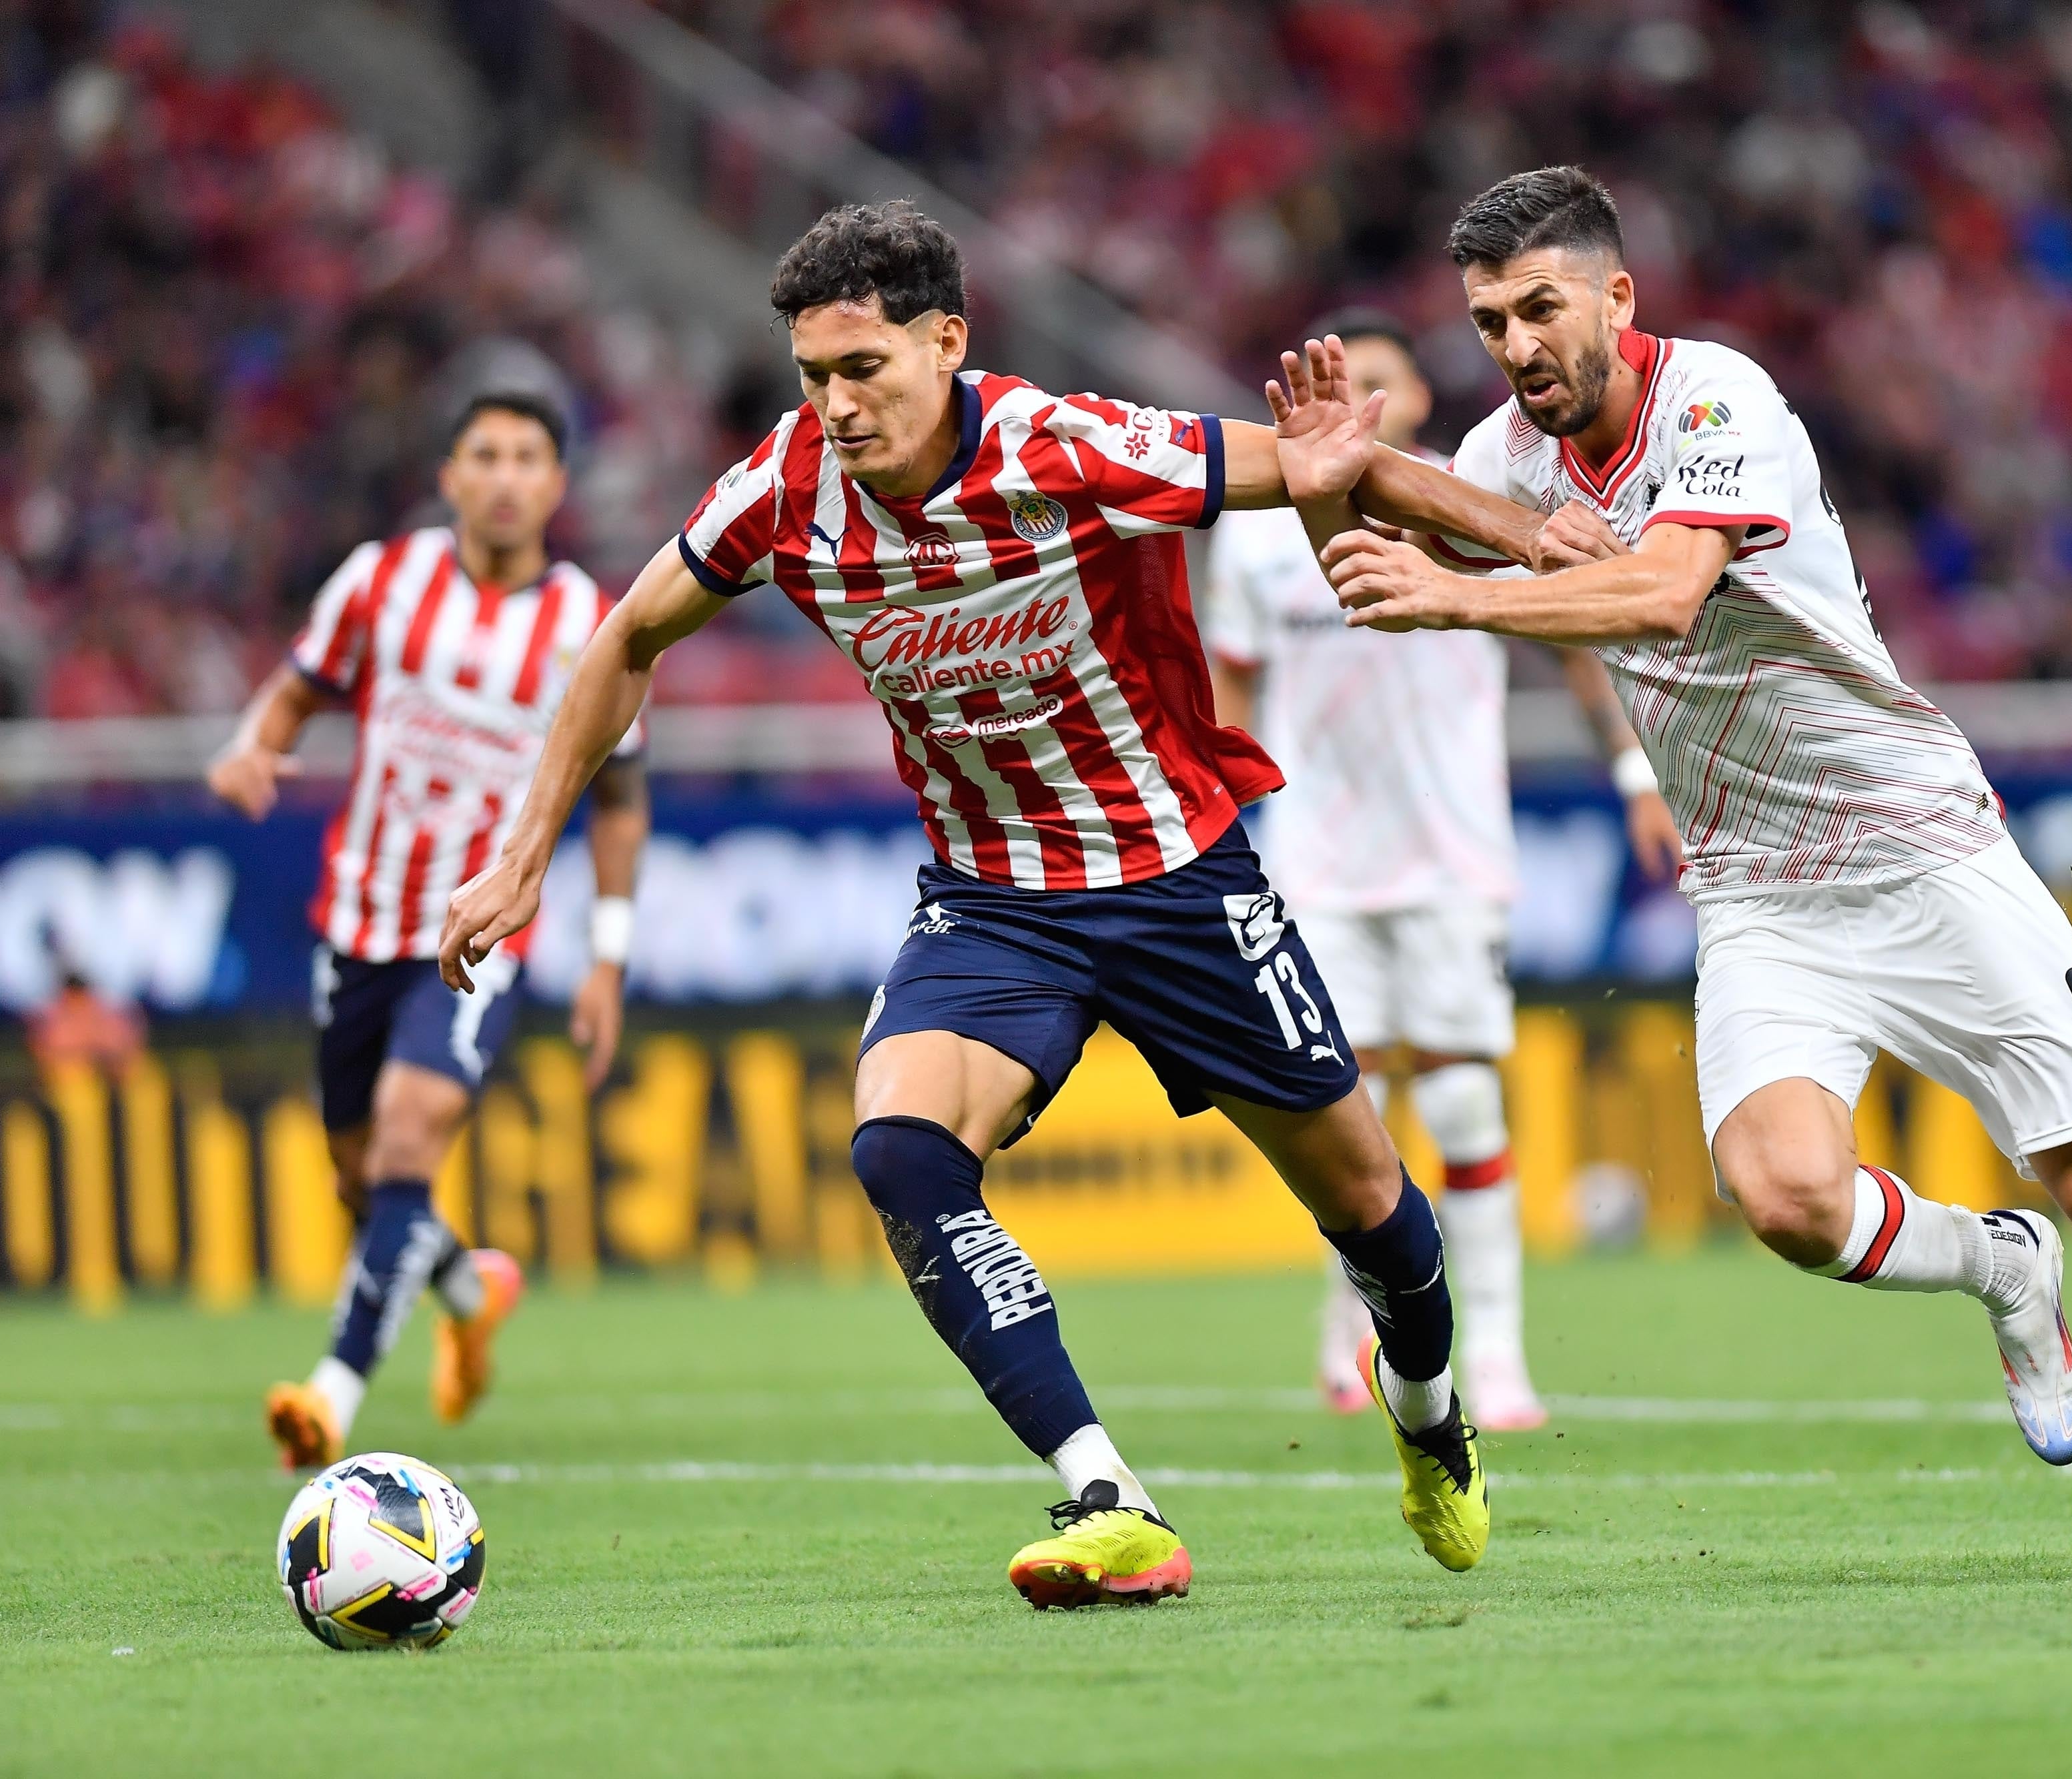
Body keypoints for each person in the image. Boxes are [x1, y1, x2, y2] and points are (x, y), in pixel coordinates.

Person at [1278, 166, 2072, 1578]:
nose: (1517, 345)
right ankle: (1998, 1264)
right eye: (1487, 323)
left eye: (1539, 308)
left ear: (1613, 296)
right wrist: (1331, 476)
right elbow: (1405, 544)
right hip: (1757, 892)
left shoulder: (1718, 399)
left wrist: (1466, 587)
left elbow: (1657, 589)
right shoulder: (1505, 458)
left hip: (1920, 846)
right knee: (1785, 1199)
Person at [434, 203, 1550, 1609]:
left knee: (1373, 1208)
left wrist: (1559, 551)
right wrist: (528, 844)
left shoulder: (1057, 445)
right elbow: (625, 636)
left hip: (1173, 880)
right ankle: (1108, 1492)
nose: (834, 406)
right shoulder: (781, 488)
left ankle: (1433, 1415)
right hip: (993, 901)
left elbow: (1336, 467)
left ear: (945, 342)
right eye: (811, 375)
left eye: (862, 369)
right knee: (899, 1150)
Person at [1204, 307, 1682, 1430]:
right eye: (1332, 379)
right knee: (1344, 1114)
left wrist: (1632, 772)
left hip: (1454, 850)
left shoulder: (1463, 511)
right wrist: (1231, 817)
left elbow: (1575, 639)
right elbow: (1232, 679)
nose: (1353, 395)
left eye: (1376, 379)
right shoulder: (1258, 536)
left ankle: (1503, 1361)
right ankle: (1345, 1350)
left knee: (1464, 1102)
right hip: (1316, 859)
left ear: (1416, 403)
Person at [208, 391, 649, 1473]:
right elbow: (300, 688)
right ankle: (467, 1283)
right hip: (357, 921)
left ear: (556, 484)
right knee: (365, 1183)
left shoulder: (598, 626)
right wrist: (253, 743)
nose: (504, 477)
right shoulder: (381, 580)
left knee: (408, 1143)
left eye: (527, 458)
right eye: (484, 456)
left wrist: (606, 955)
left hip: (476, 934)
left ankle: (331, 1396)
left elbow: (622, 799)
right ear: (450, 475)